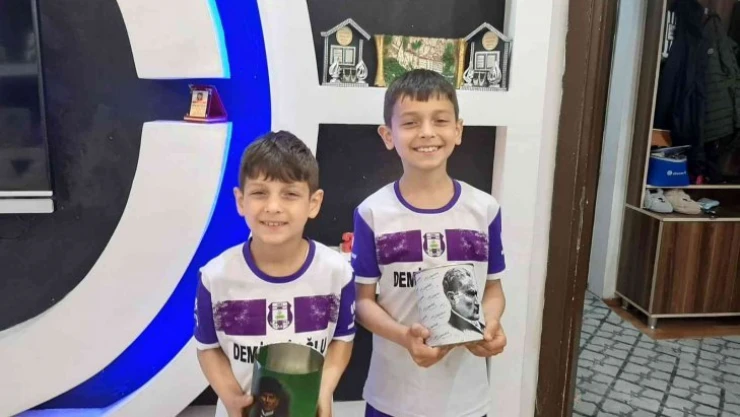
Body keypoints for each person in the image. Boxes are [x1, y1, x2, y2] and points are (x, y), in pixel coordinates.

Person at [352, 69, 507, 417]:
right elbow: (363, 302)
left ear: (458, 130)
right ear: (388, 135)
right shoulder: (372, 213)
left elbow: (493, 290)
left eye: (440, 120)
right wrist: (404, 336)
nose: (426, 132)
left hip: (466, 400)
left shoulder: (484, 209)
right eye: (410, 122)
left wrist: (490, 325)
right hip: (392, 397)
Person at [194, 131, 355, 417]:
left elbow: (343, 339)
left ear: (314, 203)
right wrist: (231, 398)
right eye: (259, 193)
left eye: (290, 194)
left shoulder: (337, 272)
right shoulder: (215, 277)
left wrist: (325, 389)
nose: (273, 207)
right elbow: (208, 347)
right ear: (240, 200)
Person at [442, 267, 485, 337]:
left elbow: (493, 286)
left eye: (476, 294)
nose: (477, 303)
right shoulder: (452, 329)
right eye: (470, 294)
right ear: (452, 298)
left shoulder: (483, 327)